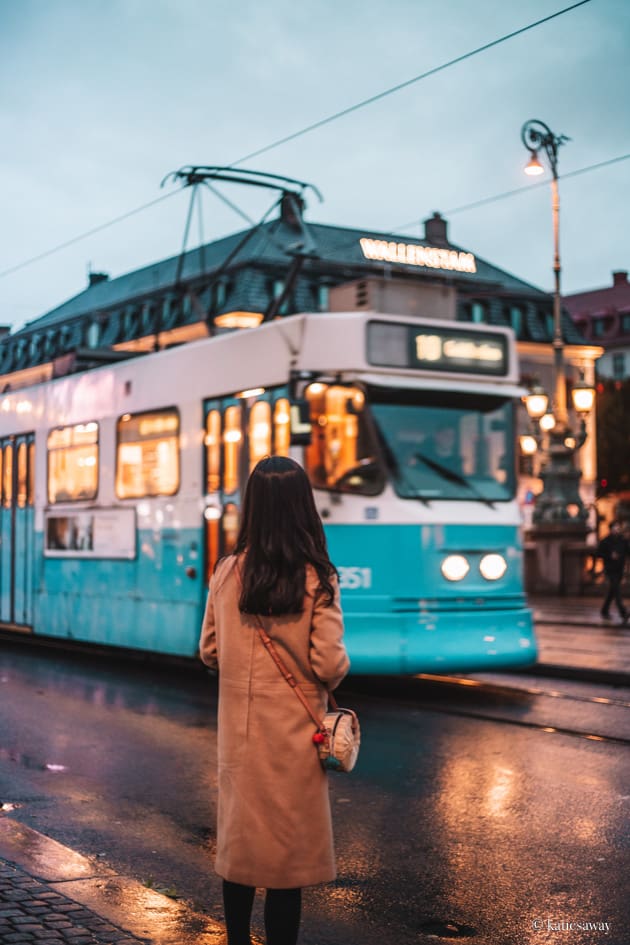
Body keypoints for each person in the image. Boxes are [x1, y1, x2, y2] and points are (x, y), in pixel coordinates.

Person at [199, 455, 350, 945]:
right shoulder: (317, 577)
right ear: (303, 507)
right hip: (294, 740)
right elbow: (328, 665)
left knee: (241, 852)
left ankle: (237, 940)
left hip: (241, 739)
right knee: (287, 862)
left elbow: (210, 650)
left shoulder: (227, 572)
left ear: (254, 508)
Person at [597, 520, 629, 623]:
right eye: (615, 527)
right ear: (610, 529)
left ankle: (604, 610)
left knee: (612, 591)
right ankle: (623, 612)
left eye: (618, 528)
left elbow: (628, 551)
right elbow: (598, 553)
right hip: (610, 569)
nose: (617, 529)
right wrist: (610, 555)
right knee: (617, 591)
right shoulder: (605, 541)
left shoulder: (622, 540)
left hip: (619, 569)